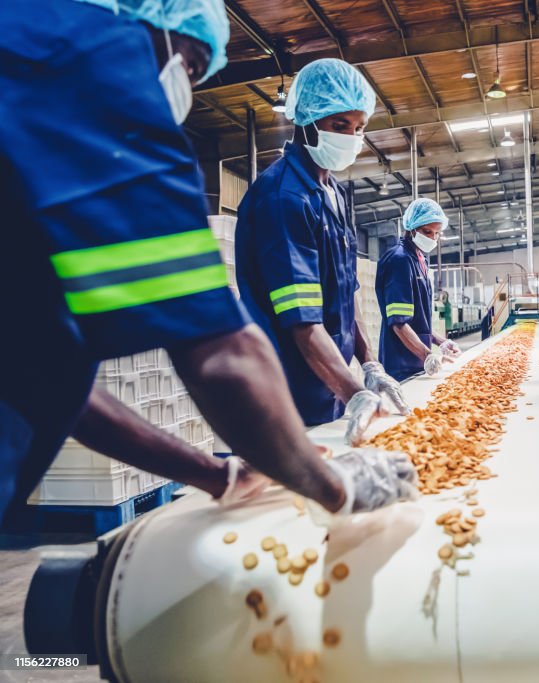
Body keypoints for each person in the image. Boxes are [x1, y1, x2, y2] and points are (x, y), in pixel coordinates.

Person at [0, 0, 416, 524]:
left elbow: (48, 377)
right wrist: (332, 485)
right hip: (291, 389)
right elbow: (220, 351)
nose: (186, 91)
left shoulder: (24, 55)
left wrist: (219, 477)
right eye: (192, 66)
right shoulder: (89, 66)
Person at [234, 58, 409, 440]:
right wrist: (355, 395)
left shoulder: (333, 193)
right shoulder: (283, 198)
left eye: (359, 127)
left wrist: (370, 365)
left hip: (330, 381)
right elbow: (301, 320)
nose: (351, 136)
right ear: (306, 120)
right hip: (287, 393)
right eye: (339, 125)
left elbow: (348, 295)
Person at [376, 199, 462, 381]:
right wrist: (427, 356)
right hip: (401, 364)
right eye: (427, 232)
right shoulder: (399, 261)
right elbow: (399, 323)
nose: (432, 238)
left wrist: (441, 342)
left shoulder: (420, 259)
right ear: (412, 228)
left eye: (437, 233)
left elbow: (418, 321)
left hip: (418, 362)